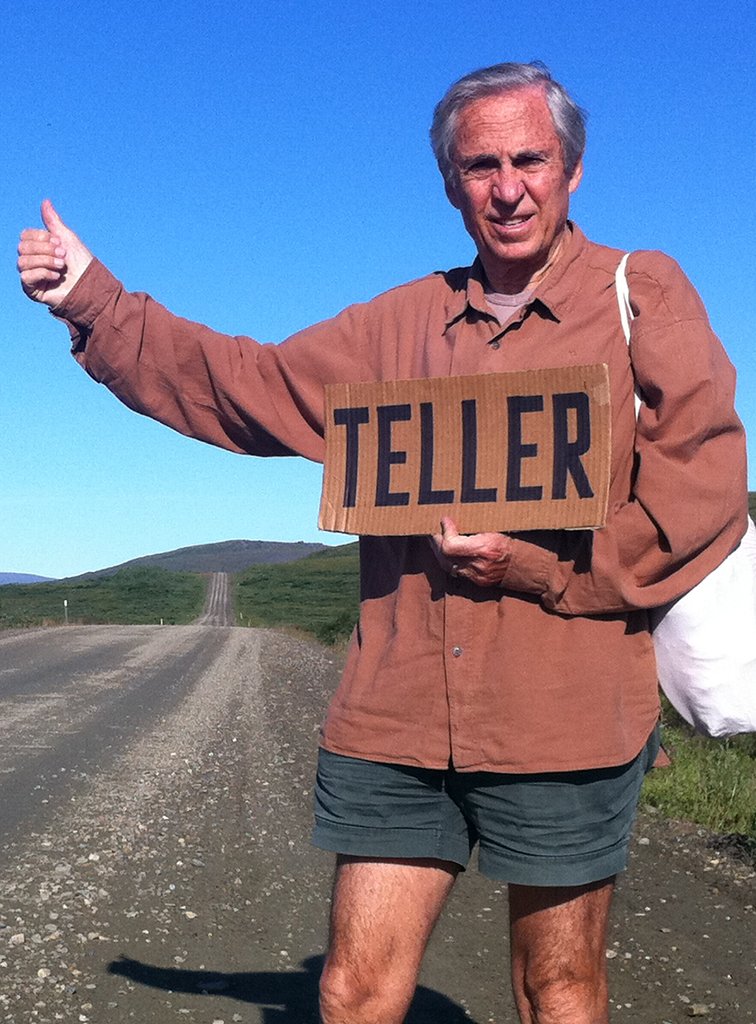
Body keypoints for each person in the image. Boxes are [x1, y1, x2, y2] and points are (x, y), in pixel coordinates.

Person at [18, 62, 747, 1024]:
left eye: (530, 158)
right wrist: (96, 302)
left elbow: (700, 493)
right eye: (480, 165)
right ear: (451, 184)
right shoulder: (401, 323)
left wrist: (536, 566)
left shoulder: (637, 294)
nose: (508, 187)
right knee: (353, 992)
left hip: (566, 715)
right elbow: (248, 385)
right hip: (397, 713)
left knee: (559, 990)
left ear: (572, 168)